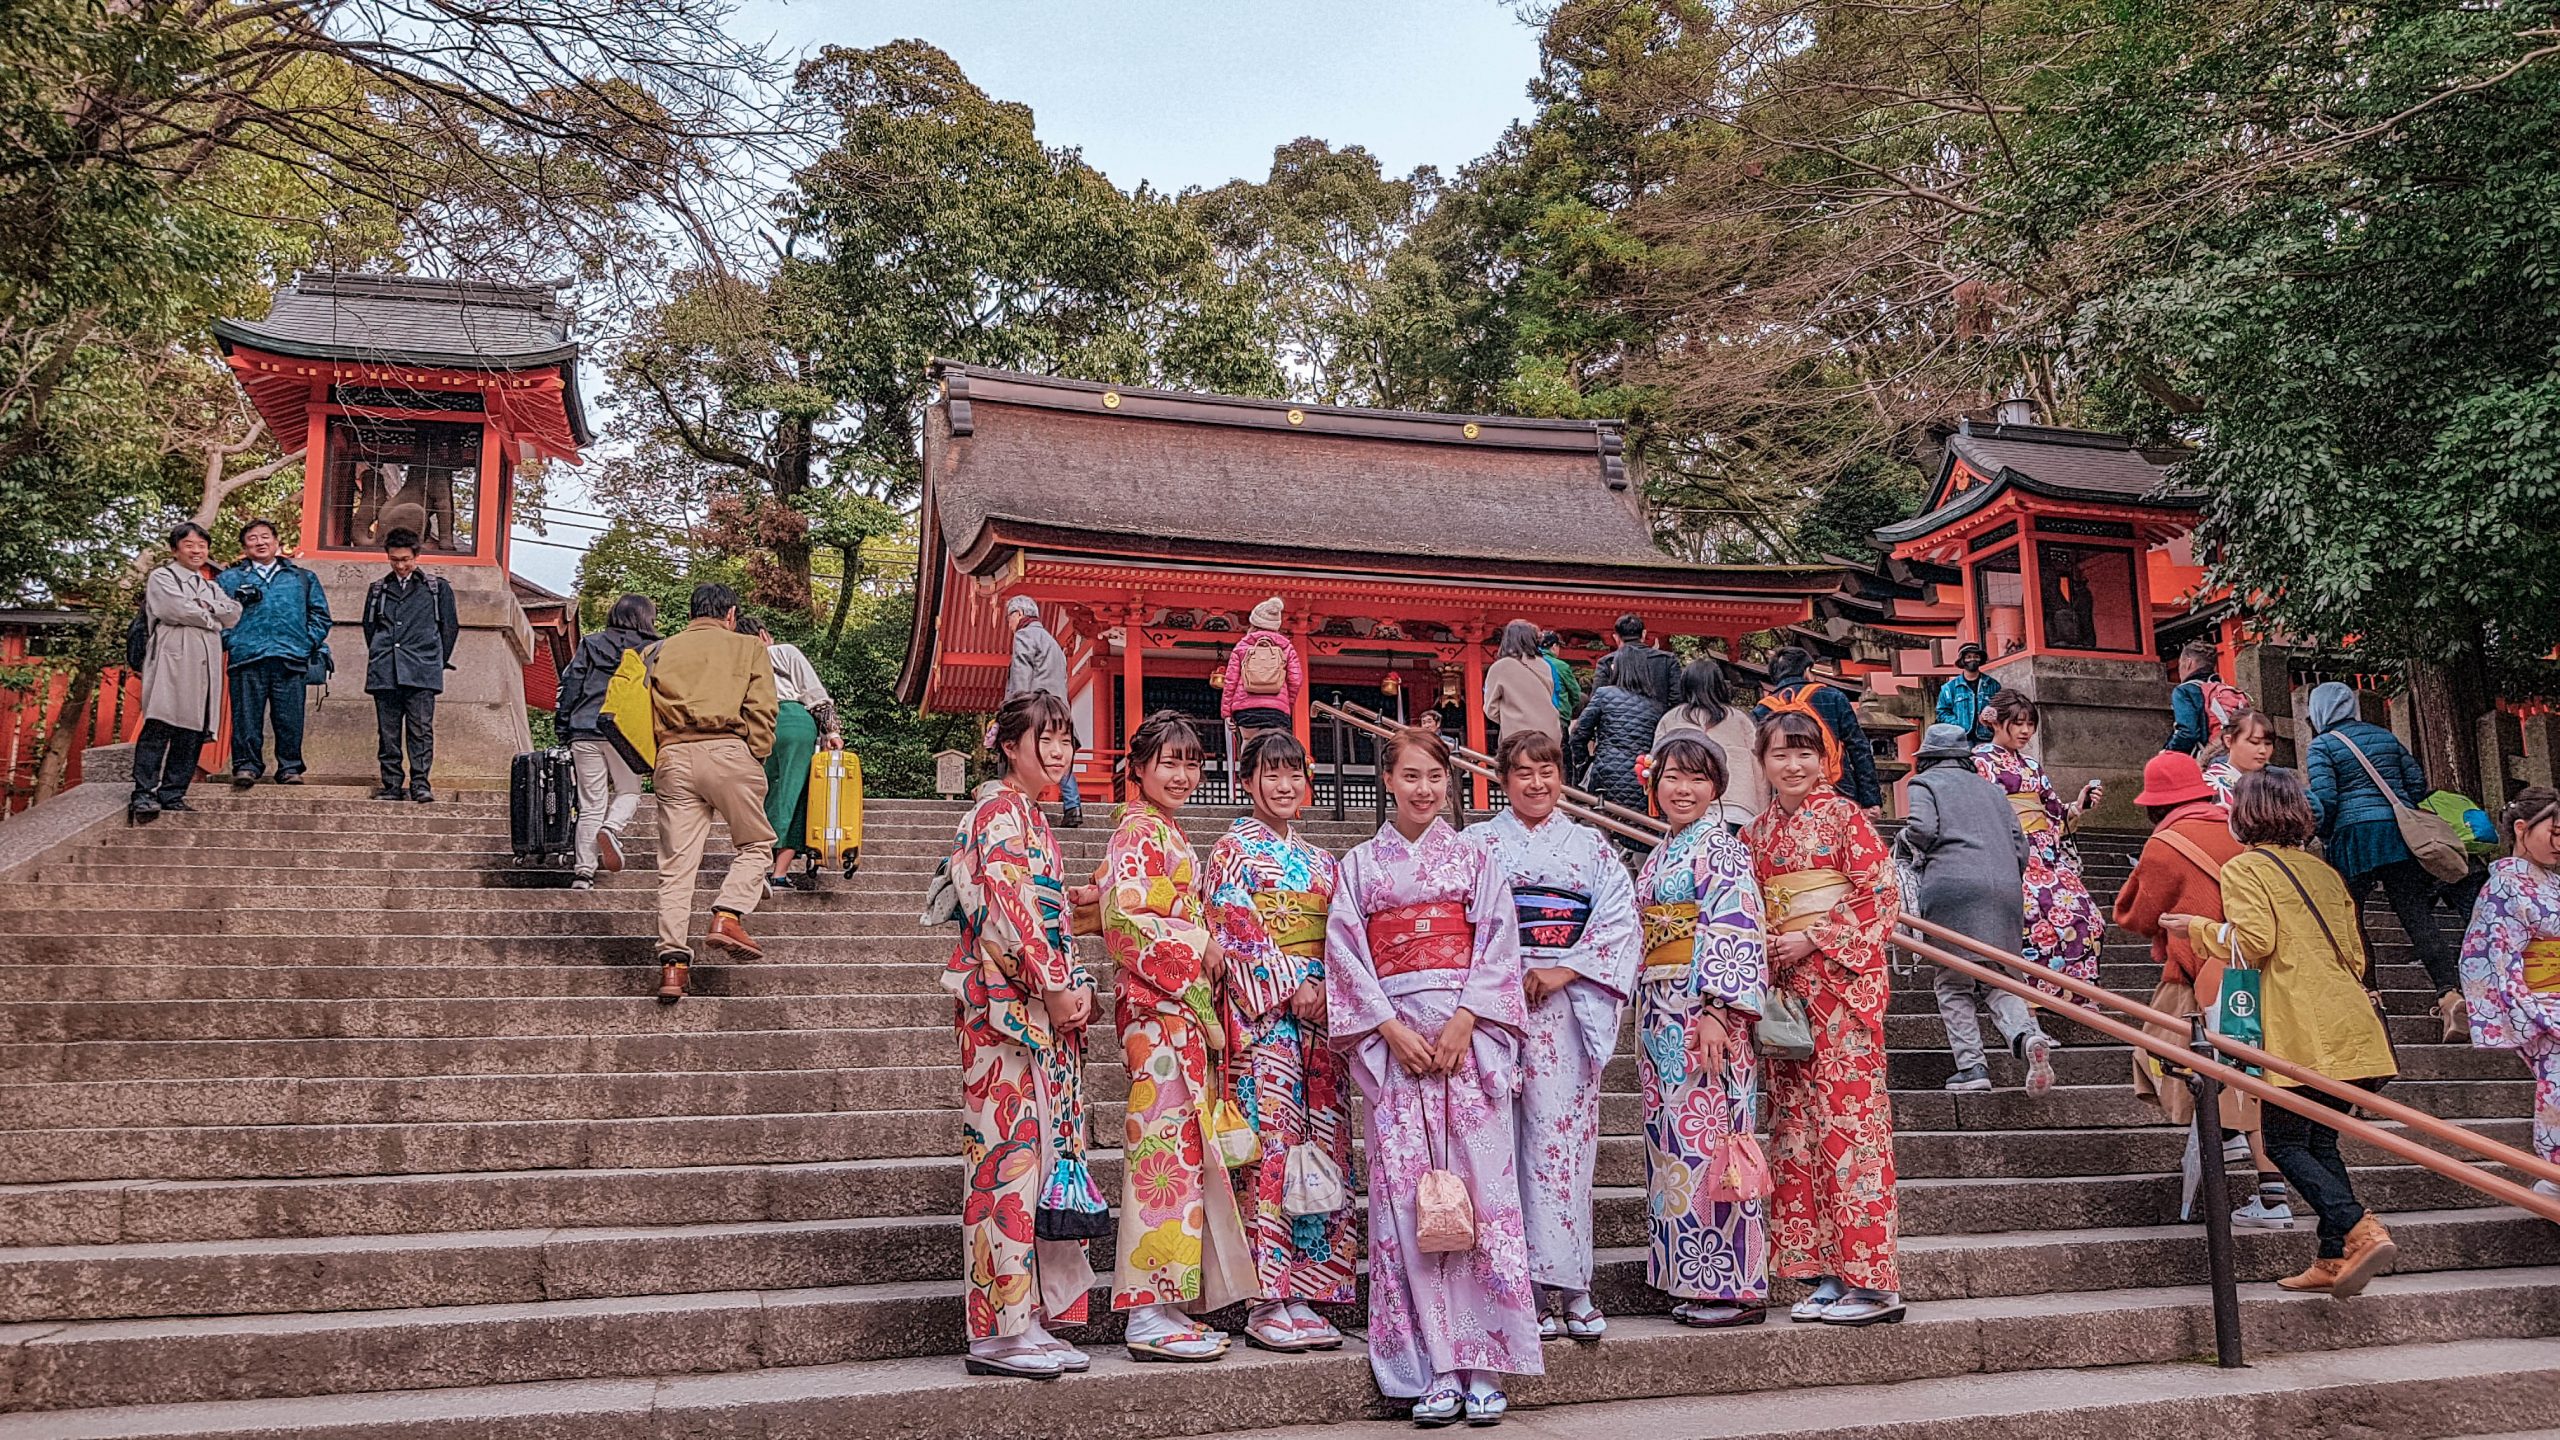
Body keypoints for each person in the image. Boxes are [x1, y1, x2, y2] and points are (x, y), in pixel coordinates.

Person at [1326, 726, 1540, 1424]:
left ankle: (1484, 1361)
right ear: (1387, 780)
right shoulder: (1359, 866)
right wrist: (1386, 1027)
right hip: (1396, 1050)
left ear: (1449, 783)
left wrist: (1465, 1020)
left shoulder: (1476, 858)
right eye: (1410, 775)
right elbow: (1347, 956)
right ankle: (1433, 1367)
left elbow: (1501, 943)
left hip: (1466, 1047)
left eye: (1435, 777)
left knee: (1481, 1204)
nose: (1423, 788)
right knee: (1409, 1209)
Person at [2168, 769, 2399, 1297]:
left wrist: (2196, 929)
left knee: (2283, 1142)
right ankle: (2332, 1254)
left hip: (2299, 1028)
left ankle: (2359, 1226)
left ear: (2243, 815)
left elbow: (2255, 940)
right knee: (2320, 1140)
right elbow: (2356, 953)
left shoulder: (2245, 868)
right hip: (2349, 1025)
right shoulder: (2322, 871)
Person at [942, 691, 1102, 1379]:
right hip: (1008, 1011)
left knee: (1034, 1161)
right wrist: (1056, 984)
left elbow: (1043, 913)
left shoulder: (1031, 818)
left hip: (1037, 1007)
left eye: (1067, 739)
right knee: (1006, 1161)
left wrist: (1077, 942)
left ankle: (1030, 1316)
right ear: (1009, 744)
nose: (1061, 752)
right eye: (1048, 738)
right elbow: (1008, 913)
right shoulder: (1000, 811)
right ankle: (998, 1332)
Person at [1469, 730, 1641, 1341]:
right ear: (1502, 779)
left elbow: (1619, 921)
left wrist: (1564, 968)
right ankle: (1522, 1289)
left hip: (1568, 1008)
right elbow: (1460, 927)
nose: (1536, 784)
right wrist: (1503, 978)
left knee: (1562, 1150)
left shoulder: (1590, 846)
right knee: (1500, 1150)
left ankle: (1572, 1285)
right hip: (1493, 1014)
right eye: (1522, 772)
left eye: (1547, 771)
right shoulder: (1479, 844)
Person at [1743, 708, 1903, 1326]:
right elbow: (1747, 905)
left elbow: (1881, 891)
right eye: (1780, 754)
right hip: (1787, 993)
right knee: (1798, 1132)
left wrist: (1813, 938)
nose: (1793, 765)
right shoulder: (1757, 833)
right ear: (1762, 762)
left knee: (1851, 1128)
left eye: (1806, 753)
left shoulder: (1844, 817)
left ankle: (1874, 1282)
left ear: (1825, 759)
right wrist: (1765, 942)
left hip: (1841, 988)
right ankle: (1827, 1275)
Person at [1103, 710, 1252, 1362]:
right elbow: (1125, 916)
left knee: (1177, 1162)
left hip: (1177, 1018)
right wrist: (1200, 944)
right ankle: (1145, 1312)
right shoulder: (1137, 832)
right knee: (1159, 1161)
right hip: (1159, 1016)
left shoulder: (1162, 831)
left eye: (1192, 761)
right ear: (1138, 767)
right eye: (1169, 760)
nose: (1183, 773)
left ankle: (1165, 1303)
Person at [1203, 729, 1357, 1353]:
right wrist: (1294, 981)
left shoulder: (1324, 863)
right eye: (1270, 774)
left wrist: (1326, 983)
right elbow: (1235, 926)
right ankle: (1267, 1298)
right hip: (1265, 1022)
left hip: (1320, 1027)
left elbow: (1346, 936)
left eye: (1294, 774)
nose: (1284, 785)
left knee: (1324, 1148)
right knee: (1272, 1148)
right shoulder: (1231, 851)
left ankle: (1312, 1287)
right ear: (1247, 782)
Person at [2112, 751, 2291, 1231]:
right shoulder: (2239, 829)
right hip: (2256, 972)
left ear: (2155, 804)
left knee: (2161, 1052)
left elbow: (2133, 913)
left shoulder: (2165, 842)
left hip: (2202, 974)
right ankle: (2258, 1174)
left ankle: (2227, 1134)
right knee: (2252, 1073)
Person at [1633, 733, 1772, 1327]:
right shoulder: (1663, 849)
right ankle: (1688, 1275)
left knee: (1715, 1141)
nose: (1682, 789)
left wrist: (1718, 1008)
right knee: (1673, 1149)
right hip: (1661, 1016)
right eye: (1671, 777)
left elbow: (1733, 921)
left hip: (1703, 1015)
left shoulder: (1722, 849)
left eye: (1696, 779)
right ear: (1654, 783)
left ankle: (1732, 1285)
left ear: (1716, 787)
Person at [1897, 723, 2055, 1095]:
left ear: (1928, 759)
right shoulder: (1993, 790)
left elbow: (1921, 828)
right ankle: (2025, 1036)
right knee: (1998, 976)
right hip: (2004, 890)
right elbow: (2021, 847)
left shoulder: (1925, 784)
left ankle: (1972, 1067)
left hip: (1953, 889)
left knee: (1953, 981)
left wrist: (1902, 843)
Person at [2304, 681, 2466, 1042]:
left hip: (2354, 838)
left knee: (2351, 918)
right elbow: (2416, 783)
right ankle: (2449, 994)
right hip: (2399, 835)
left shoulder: (2323, 745)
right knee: (2415, 914)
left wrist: (2325, 835)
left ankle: (2370, 996)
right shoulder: (2385, 737)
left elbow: (2325, 798)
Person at [645, 583, 777, 1003]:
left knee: (676, 868)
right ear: (731, 614)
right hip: (727, 749)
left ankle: (673, 966)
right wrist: (753, 753)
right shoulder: (748, 647)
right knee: (757, 845)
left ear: (691, 613)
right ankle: (727, 914)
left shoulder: (659, 650)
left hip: (672, 755)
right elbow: (763, 708)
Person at [1970, 691, 2105, 1001]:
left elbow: (2056, 811)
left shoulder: (2032, 766)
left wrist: (2080, 805)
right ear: (1996, 723)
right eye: (2017, 723)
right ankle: (2028, 1002)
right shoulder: (1979, 762)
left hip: (2046, 857)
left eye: (2030, 724)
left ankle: (2073, 998)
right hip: (2008, 855)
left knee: (2087, 917)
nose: (2025, 731)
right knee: (2033, 921)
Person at [2458, 787, 2560, 1198]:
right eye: (2554, 832)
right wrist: (2535, 1011)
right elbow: (2492, 956)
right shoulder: (2504, 886)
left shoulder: (2553, 883)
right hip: (2539, 1001)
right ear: (2522, 828)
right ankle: (2553, 1174)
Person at [129, 523, 243, 823]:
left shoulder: (208, 584)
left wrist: (206, 610)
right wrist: (212, 615)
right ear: (174, 549)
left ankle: (173, 792)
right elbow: (174, 610)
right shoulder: (162, 577)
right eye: (189, 544)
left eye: (202, 545)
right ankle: (143, 792)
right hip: (172, 655)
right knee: (161, 721)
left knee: (192, 729)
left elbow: (233, 613)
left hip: (205, 660)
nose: (197, 550)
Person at [552, 593, 659, 890]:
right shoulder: (652, 649)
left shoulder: (591, 642)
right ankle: (612, 828)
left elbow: (571, 683)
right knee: (629, 791)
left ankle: (583, 873)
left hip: (585, 728)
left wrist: (563, 726)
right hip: (625, 732)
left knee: (590, 805)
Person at [215, 518, 330, 787]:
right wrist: (231, 640)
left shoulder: (301, 577)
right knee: (246, 716)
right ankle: (246, 766)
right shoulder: (229, 579)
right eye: (253, 538)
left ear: (277, 542)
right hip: (247, 656)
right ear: (244, 546)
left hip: (290, 656)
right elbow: (215, 617)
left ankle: (290, 768)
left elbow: (320, 615)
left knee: (289, 716)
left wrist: (306, 642)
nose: (260, 542)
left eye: (265, 536)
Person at [740, 613, 841, 891]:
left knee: (761, 794)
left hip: (753, 725)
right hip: (793, 721)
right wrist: (832, 731)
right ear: (763, 634)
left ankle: (752, 866)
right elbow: (814, 692)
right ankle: (779, 874)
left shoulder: (737, 661)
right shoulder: (783, 651)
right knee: (794, 796)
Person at [360, 529, 457, 803]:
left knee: (420, 730)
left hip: (422, 670)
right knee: (387, 732)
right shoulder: (378, 589)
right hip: (385, 670)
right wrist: (382, 653)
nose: (400, 566)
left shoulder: (436, 588)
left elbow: (449, 628)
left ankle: (420, 783)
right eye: (394, 560)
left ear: (416, 556)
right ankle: (391, 784)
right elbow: (370, 627)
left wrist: (434, 660)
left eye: (405, 559)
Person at [1753, 646, 1881, 812]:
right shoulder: (1833, 697)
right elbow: (1859, 748)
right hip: (1839, 789)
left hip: (1787, 796)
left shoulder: (1762, 710)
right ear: (1807, 671)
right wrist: (1870, 800)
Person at [1655, 656, 1766, 828]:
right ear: (1720, 685)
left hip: (1686, 806)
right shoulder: (1740, 720)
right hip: (1739, 808)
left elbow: (1655, 767)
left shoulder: (1671, 719)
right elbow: (1760, 770)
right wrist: (1763, 810)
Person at [1004, 595, 1083, 827]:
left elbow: (1021, 674)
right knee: (1058, 756)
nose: (1009, 624)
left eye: (1009, 617)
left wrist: (1012, 709)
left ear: (1018, 614)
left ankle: (1019, 803)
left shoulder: (1024, 635)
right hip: (1059, 710)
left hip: (1035, 709)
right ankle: (1073, 806)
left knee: (1023, 755)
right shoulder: (1053, 643)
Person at [1565, 651, 1668, 814]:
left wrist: (1583, 763)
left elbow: (1579, 734)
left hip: (1606, 772)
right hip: (1641, 777)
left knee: (1604, 823)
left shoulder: (1604, 695)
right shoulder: (1657, 707)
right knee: (1635, 827)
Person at [1221, 597, 1304, 737]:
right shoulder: (1286, 647)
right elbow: (1296, 679)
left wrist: (1227, 712)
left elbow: (1230, 681)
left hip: (1246, 708)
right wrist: (1286, 704)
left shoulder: (1242, 646)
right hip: (1276, 710)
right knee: (1272, 748)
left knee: (1248, 743)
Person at [1482, 620, 1562, 745]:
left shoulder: (1501, 667)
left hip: (1518, 736)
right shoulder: (1545, 665)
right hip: (1550, 733)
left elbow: (1490, 709)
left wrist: (1511, 717)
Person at [2165, 640, 2248, 756]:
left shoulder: (2185, 690)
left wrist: (2168, 751)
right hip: (2239, 756)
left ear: (2188, 663)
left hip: (2210, 757)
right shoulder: (2226, 690)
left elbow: (2188, 732)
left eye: (2180, 663)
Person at [2202, 705, 2281, 806]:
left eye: (2268, 744)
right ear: (2229, 741)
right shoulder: (2211, 784)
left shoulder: (2278, 782)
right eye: (2254, 742)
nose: (2263, 750)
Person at [1932, 643, 2001, 745]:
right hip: (1960, 739)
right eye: (1968, 657)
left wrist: (1991, 717)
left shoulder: (1993, 685)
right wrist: (1958, 724)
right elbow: (1942, 712)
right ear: (1962, 660)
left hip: (1987, 738)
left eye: (1976, 657)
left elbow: (2001, 708)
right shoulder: (1949, 688)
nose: (1972, 660)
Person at [1593, 613, 1674, 698]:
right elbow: (1676, 698)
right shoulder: (1667, 660)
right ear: (1643, 634)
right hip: (1658, 709)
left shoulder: (1606, 662)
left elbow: (1597, 698)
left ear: (1616, 637)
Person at [1539, 630, 1583, 720]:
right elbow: (1575, 693)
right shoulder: (1561, 666)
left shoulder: (1529, 662)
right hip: (1558, 715)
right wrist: (1567, 707)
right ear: (1554, 646)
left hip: (1534, 714)